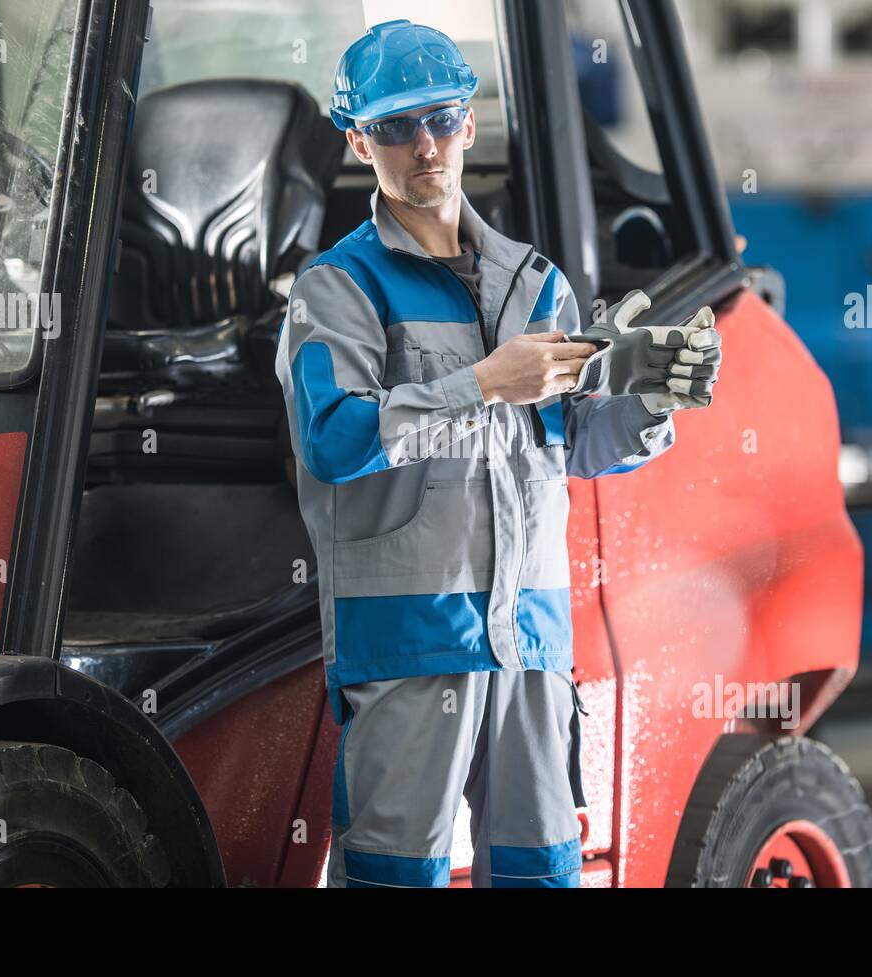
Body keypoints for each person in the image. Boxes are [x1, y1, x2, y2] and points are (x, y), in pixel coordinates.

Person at [274, 19, 720, 888]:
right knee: (394, 875)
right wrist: (483, 383)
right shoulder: (339, 290)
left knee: (541, 870)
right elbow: (334, 440)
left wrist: (651, 401)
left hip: (531, 642)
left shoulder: (536, 282)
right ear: (358, 140)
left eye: (439, 119)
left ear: (470, 123)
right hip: (410, 643)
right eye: (395, 128)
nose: (424, 147)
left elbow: (570, 443)